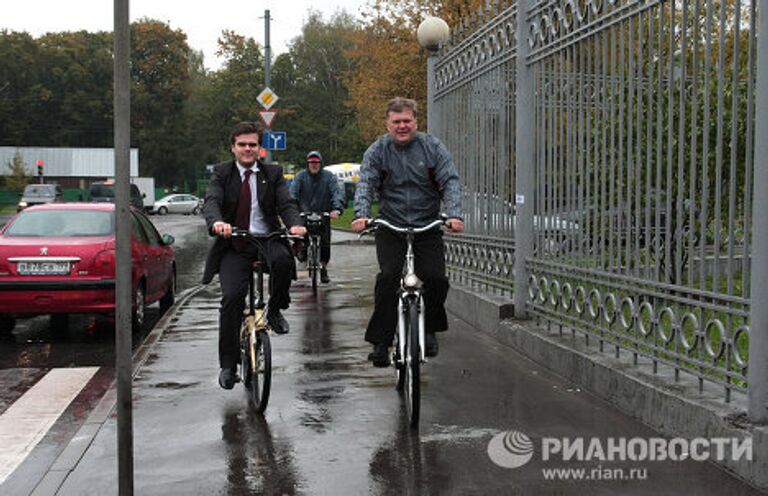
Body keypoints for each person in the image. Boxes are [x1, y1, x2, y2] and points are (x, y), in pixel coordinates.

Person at [351, 97, 465, 367]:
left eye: (407, 121)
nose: (402, 126)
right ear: (387, 124)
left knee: (436, 278)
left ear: (416, 121)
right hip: (392, 224)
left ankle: (430, 330)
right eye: (396, 122)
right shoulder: (377, 150)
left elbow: (449, 181)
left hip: (427, 224)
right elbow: (366, 182)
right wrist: (362, 215)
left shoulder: (432, 147)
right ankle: (381, 342)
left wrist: (454, 214)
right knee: (389, 277)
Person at [202, 121, 307, 389]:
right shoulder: (222, 173)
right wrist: (217, 223)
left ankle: (275, 310)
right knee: (232, 298)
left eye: (253, 144)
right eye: (242, 144)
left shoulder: (272, 173)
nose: (248, 149)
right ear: (233, 147)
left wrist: (294, 223)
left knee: (284, 261)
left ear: (259, 148)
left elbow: (286, 202)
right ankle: (228, 365)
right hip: (234, 241)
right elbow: (212, 201)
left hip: (266, 238)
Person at [289, 150, 345, 283]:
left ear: (321, 163)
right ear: (307, 164)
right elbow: (292, 194)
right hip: (304, 213)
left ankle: (323, 268)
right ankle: (301, 250)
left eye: (316, 163)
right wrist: (293, 209)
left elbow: (336, 193)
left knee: (325, 242)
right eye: (311, 163)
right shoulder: (300, 177)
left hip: (323, 213)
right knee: (299, 235)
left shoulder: (329, 177)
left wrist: (336, 209)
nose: (314, 165)